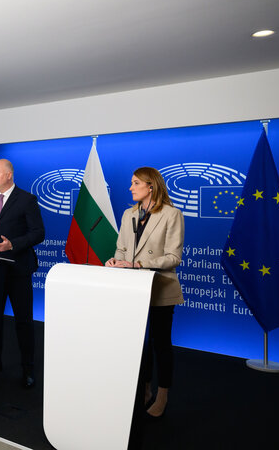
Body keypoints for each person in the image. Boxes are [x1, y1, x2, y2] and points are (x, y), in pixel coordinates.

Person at [105, 166, 185, 418]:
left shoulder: (172, 214)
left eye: (135, 183)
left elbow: (174, 257)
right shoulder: (128, 214)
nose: (130, 187)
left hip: (160, 288)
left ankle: (162, 395)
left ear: (151, 186)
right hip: (132, 291)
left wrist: (138, 264)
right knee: (140, 344)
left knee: (161, 343)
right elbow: (121, 248)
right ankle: (144, 390)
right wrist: (115, 261)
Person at [0, 159, 45, 388]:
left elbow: (38, 233)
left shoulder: (26, 199)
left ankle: (27, 369)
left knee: (23, 321)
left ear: (9, 175)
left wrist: (12, 244)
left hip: (18, 270)